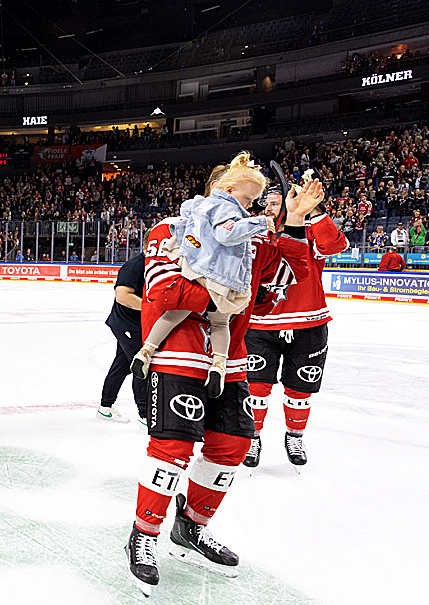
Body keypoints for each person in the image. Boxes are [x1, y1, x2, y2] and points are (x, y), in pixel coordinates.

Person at [125, 174, 323, 597]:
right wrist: (230, 291)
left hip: (228, 361)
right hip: (176, 353)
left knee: (233, 445)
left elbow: (290, 277)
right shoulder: (173, 229)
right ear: (221, 189)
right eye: (242, 195)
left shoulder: (252, 241)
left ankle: (191, 527)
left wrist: (296, 219)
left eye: (254, 201)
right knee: (172, 449)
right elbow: (164, 293)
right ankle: (144, 533)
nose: (248, 205)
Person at [131, 153, 274, 399]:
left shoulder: (198, 204)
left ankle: (145, 350)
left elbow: (187, 216)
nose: (251, 205)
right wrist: (259, 223)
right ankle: (219, 363)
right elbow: (227, 234)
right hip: (216, 273)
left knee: (175, 314)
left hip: (193, 267)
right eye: (249, 198)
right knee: (220, 321)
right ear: (226, 188)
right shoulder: (228, 208)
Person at [244, 180, 348, 469]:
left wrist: (311, 211)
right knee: (256, 386)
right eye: (267, 204)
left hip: (308, 322)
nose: (268, 208)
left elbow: (334, 245)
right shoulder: (256, 230)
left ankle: (295, 435)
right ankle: (252, 437)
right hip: (261, 323)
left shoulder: (310, 230)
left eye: (275, 203)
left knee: (300, 388)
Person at [98, 249, 147, 425]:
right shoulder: (134, 266)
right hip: (126, 325)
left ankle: (105, 407)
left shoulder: (153, 265)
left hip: (134, 324)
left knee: (122, 365)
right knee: (141, 364)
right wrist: (152, 309)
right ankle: (145, 415)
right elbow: (122, 296)